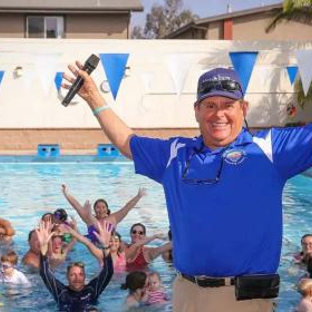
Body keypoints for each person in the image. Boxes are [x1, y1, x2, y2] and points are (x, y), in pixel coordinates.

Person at [62, 62, 312, 312]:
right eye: (210, 105)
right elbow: (128, 143)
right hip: (186, 296)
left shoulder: (270, 151)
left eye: (228, 105)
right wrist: (93, 97)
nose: (219, 114)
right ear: (196, 110)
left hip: (245, 299)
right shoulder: (176, 154)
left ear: (243, 108)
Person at [37, 219, 114, 312]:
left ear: (85, 276)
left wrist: (106, 247)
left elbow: (108, 272)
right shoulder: (61, 292)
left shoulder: (92, 290)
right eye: (73, 275)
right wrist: (43, 247)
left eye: (80, 274)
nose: (77, 278)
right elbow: (44, 273)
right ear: (67, 277)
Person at [61, 184, 146, 244]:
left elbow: (127, 207)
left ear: (107, 209)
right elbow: (77, 206)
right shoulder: (88, 218)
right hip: (93, 248)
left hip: (109, 247)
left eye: (103, 207)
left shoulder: (114, 218)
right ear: (94, 209)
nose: (101, 210)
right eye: (98, 207)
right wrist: (66, 194)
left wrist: (138, 196)